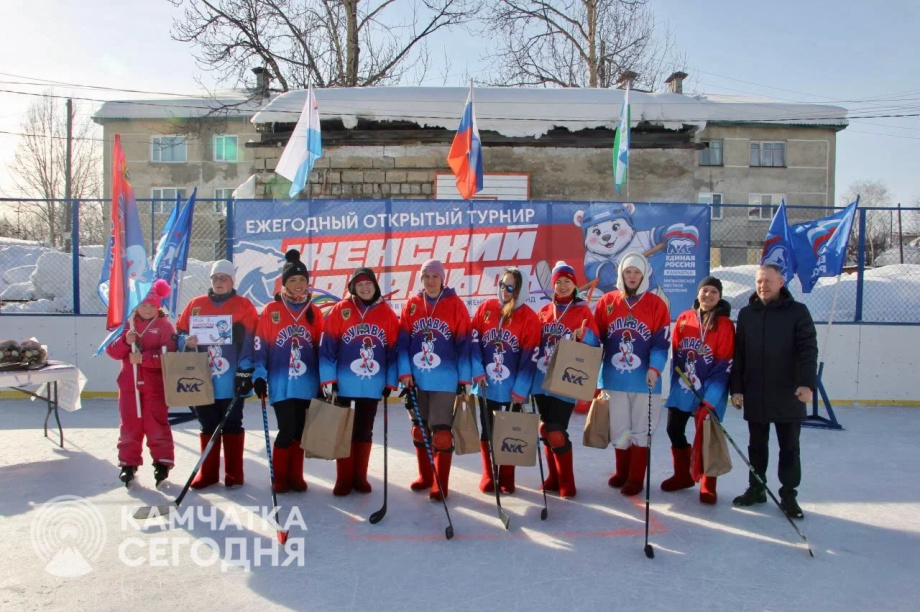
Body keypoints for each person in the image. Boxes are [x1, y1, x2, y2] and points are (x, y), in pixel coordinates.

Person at [730, 264, 817, 519]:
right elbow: (740, 355)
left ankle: (788, 495)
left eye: (768, 281)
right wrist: (737, 389)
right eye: (759, 281)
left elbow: (808, 349)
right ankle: (756, 488)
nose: (762, 286)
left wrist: (806, 383)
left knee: (789, 447)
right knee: (757, 445)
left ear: (781, 282)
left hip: (789, 393)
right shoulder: (747, 314)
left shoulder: (798, 312)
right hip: (756, 392)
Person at [175, 260, 259, 489]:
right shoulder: (196, 304)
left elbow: (251, 341)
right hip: (202, 379)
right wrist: (185, 341)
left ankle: (234, 473)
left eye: (224, 278)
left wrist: (245, 370)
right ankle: (209, 473)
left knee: (232, 423)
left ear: (232, 281)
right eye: (215, 278)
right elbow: (179, 332)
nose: (219, 282)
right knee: (207, 423)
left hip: (232, 379)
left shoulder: (243, 305)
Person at [594, 253, 670, 497]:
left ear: (644, 274)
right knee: (619, 428)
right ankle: (622, 472)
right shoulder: (607, 301)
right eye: (628, 272)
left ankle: (636, 478)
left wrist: (655, 368)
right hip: (614, 378)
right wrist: (582, 336)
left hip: (644, 379)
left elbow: (661, 343)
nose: (633, 276)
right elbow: (596, 338)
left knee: (640, 429)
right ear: (621, 274)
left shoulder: (656, 304)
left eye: (637, 272)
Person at [319, 267, 399, 496]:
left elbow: (394, 351)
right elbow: (327, 349)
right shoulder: (340, 310)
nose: (365, 288)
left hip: (373, 386)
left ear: (375, 286)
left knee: (364, 430)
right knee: (344, 431)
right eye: (360, 284)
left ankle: (360, 477)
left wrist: (390, 382)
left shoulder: (387, 314)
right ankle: (344, 479)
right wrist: (330, 379)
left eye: (369, 284)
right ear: (353, 288)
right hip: (344, 384)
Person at [250, 249, 324, 494]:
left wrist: (326, 381)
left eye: (302, 280)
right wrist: (259, 374)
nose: (298, 285)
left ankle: (296, 476)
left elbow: (322, 349)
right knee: (287, 428)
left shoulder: (314, 312)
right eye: (292, 280)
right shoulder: (272, 310)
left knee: (300, 431)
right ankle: (280, 477)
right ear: (284, 283)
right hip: (281, 383)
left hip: (307, 383)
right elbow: (260, 346)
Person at [398, 259, 471, 501]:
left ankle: (441, 483)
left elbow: (463, 344)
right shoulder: (412, 305)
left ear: (443, 279)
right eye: (426, 276)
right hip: (417, 380)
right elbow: (402, 344)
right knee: (420, 431)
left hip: (444, 380)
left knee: (440, 433)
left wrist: (464, 378)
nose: (430, 281)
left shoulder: (455, 305)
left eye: (435, 276)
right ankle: (426, 476)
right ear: (421, 279)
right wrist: (405, 372)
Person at [661, 276, 735, 504]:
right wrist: (676, 386)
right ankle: (683, 475)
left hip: (710, 390)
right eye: (705, 290)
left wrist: (710, 398)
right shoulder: (684, 319)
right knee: (673, 428)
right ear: (698, 293)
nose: (708, 295)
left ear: (719, 296)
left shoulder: (724, 325)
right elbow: (676, 355)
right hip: (684, 387)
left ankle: (708, 484)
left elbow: (724, 364)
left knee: (707, 436)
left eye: (714, 291)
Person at [530, 261, 600, 499]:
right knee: (545, 428)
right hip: (542, 379)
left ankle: (567, 482)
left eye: (566, 282)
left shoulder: (583, 312)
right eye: (558, 282)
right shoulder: (544, 311)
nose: (561, 286)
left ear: (574, 284)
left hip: (566, 379)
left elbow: (595, 345)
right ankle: (553, 477)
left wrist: (586, 335)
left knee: (557, 430)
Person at [471, 267, 541, 494]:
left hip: (512, 389)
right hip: (486, 385)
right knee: (488, 430)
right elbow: (473, 343)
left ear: (520, 289)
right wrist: (478, 371)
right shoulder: (486, 309)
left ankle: (507, 475)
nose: (504, 290)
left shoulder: (529, 317)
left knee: (509, 430)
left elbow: (531, 357)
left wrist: (521, 389)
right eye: (502, 284)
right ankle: (489, 474)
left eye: (510, 286)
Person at [106, 279, 177, 488]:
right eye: (144, 305)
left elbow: (169, 355)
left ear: (159, 307)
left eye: (152, 306)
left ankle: (162, 462)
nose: (147, 309)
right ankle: (128, 463)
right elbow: (111, 351)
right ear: (136, 305)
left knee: (156, 424)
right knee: (130, 424)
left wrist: (145, 359)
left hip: (155, 386)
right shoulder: (127, 325)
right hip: (129, 385)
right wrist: (124, 342)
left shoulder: (164, 326)